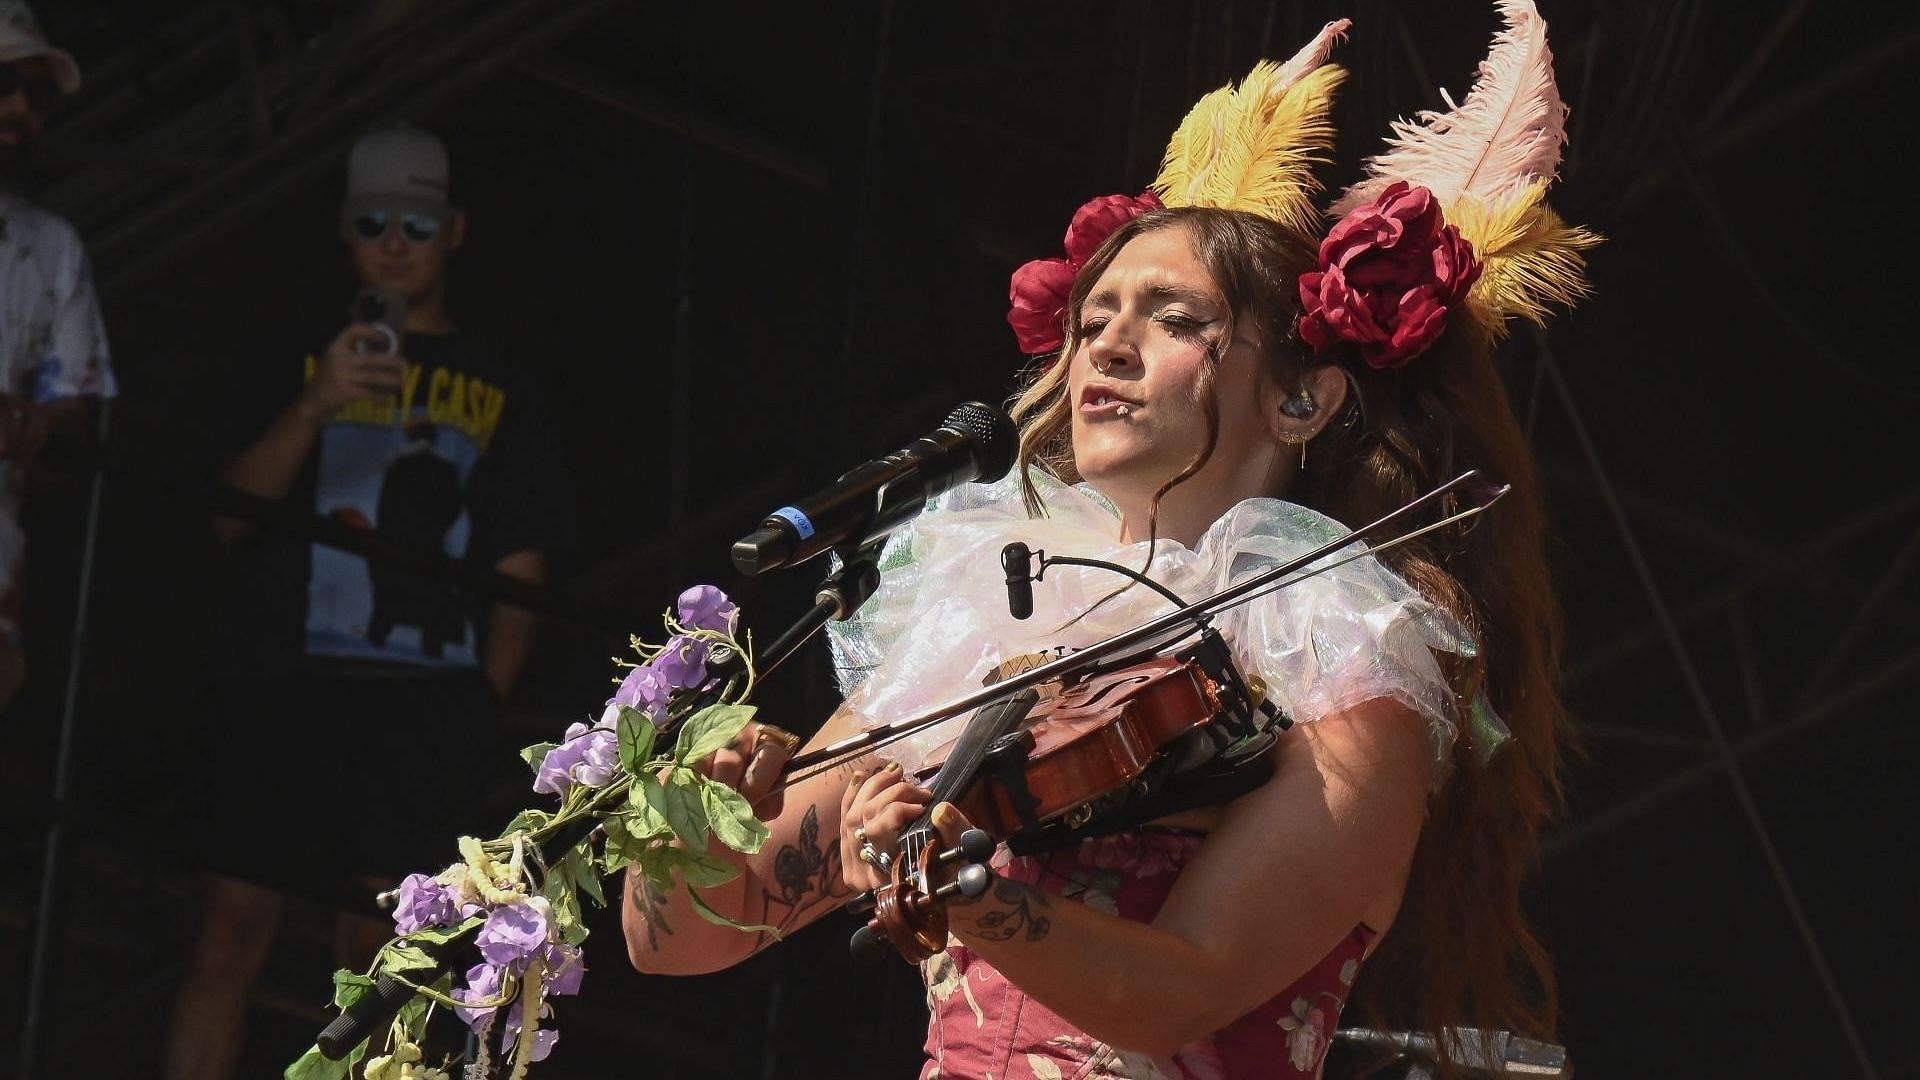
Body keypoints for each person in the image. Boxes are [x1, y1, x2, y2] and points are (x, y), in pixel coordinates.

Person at [623, 6, 1597, 1079]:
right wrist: (694, 810)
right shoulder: (977, 634)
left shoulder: (1348, 673)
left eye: (1176, 319)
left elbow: (1181, 991)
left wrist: (977, 897)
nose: (1112, 345)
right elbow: (686, 936)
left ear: (1305, 402)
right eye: (1094, 320)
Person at [163, 123, 572, 1080]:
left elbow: (525, 566)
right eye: (374, 222)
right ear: (346, 234)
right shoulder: (297, 352)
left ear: (455, 230)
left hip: (417, 709)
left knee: (376, 959)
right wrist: (317, 402)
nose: (395, 242)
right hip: (279, 689)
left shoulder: (503, 384)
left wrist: (478, 712)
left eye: (417, 223)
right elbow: (224, 519)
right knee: (230, 931)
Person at [0, 0, 113, 711]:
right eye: (3, 82)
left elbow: (77, 426)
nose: (17, 109)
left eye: (36, 94)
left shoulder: (52, 247)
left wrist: (44, 434)